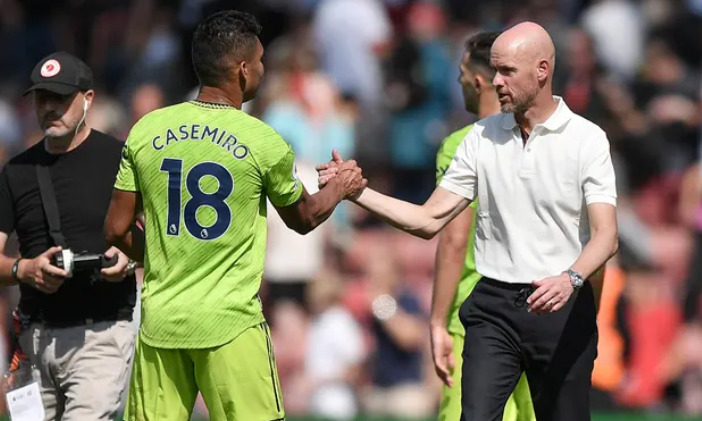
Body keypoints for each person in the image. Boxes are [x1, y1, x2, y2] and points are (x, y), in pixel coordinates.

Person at [318, 22, 618, 421]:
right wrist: (357, 192)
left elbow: (606, 236)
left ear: (542, 70)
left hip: (561, 304)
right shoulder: (479, 137)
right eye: (494, 70)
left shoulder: (587, 139)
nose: (495, 82)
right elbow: (428, 220)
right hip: (493, 309)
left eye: (507, 71)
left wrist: (571, 279)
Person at [104, 10, 365, 421]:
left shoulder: (146, 130)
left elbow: (116, 229)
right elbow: (303, 218)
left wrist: (157, 256)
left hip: (161, 324)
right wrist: (342, 186)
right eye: (260, 61)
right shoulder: (262, 139)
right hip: (231, 325)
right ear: (243, 70)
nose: (263, 69)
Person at [0, 51, 137, 421]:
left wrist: (131, 257)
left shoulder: (121, 158)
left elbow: (159, 234)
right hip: (32, 340)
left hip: (100, 335)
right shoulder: (16, 171)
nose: (49, 108)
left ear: (88, 99)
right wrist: (24, 269)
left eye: (60, 98)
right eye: (42, 98)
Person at [431, 31, 534, 421]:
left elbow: (454, 239)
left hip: (478, 317)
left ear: (478, 80)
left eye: (460, 72)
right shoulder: (548, 138)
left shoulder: (461, 144)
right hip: (542, 311)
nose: (458, 81)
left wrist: (438, 321)